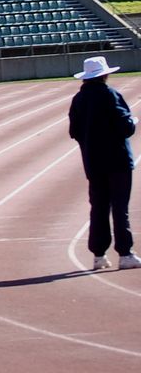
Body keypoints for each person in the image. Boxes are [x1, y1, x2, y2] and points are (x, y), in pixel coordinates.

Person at [68, 56, 138, 271]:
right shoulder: (110, 95)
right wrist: (132, 122)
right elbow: (126, 126)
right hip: (117, 159)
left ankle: (99, 255)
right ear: (104, 74)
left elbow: (74, 132)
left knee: (98, 207)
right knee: (119, 207)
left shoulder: (79, 99)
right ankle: (125, 253)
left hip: (93, 161)